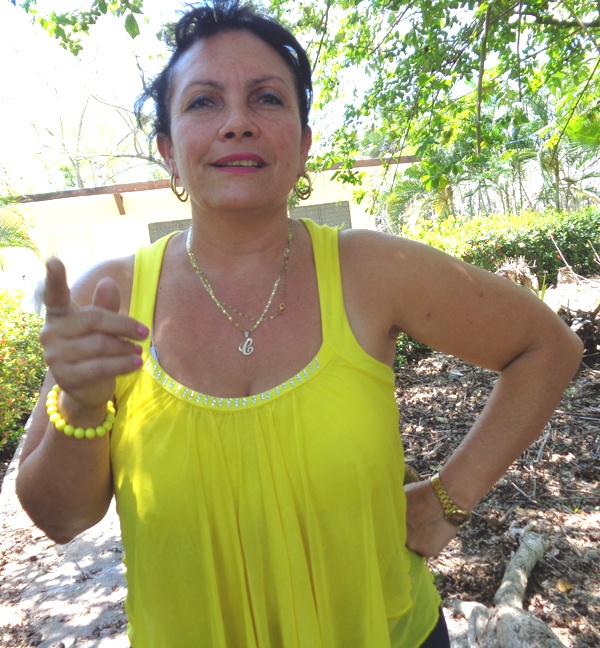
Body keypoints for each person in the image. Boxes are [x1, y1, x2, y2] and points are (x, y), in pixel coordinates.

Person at [16, 2, 583, 646]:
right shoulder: (109, 299)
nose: (237, 122)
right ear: (169, 152)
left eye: (266, 98)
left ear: (304, 143)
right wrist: (82, 404)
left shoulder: (373, 270)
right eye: (203, 102)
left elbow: (547, 348)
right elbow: (60, 520)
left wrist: (447, 500)